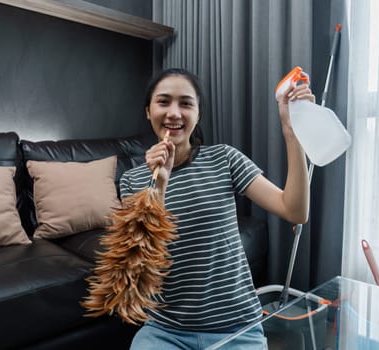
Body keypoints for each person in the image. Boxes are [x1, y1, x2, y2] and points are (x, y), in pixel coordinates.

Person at [120, 68, 314, 349]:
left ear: (198, 113)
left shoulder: (224, 159)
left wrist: (291, 132)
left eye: (186, 103)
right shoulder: (132, 179)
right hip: (166, 330)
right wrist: (159, 185)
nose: (174, 112)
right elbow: (139, 266)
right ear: (148, 112)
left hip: (237, 327)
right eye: (163, 102)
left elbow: (295, 211)